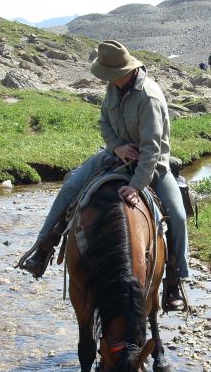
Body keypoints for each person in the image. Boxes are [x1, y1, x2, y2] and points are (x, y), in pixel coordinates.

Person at [17, 40, 189, 312]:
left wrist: (136, 186)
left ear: (125, 70)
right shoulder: (113, 88)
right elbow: (105, 124)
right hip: (114, 156)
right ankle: (43, 247)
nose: (106, 79)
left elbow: (152, 149)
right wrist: (116, 146)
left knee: (177, 215)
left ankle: (175, 279)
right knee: (71, 185)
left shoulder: (149, 97)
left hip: (151, 164)